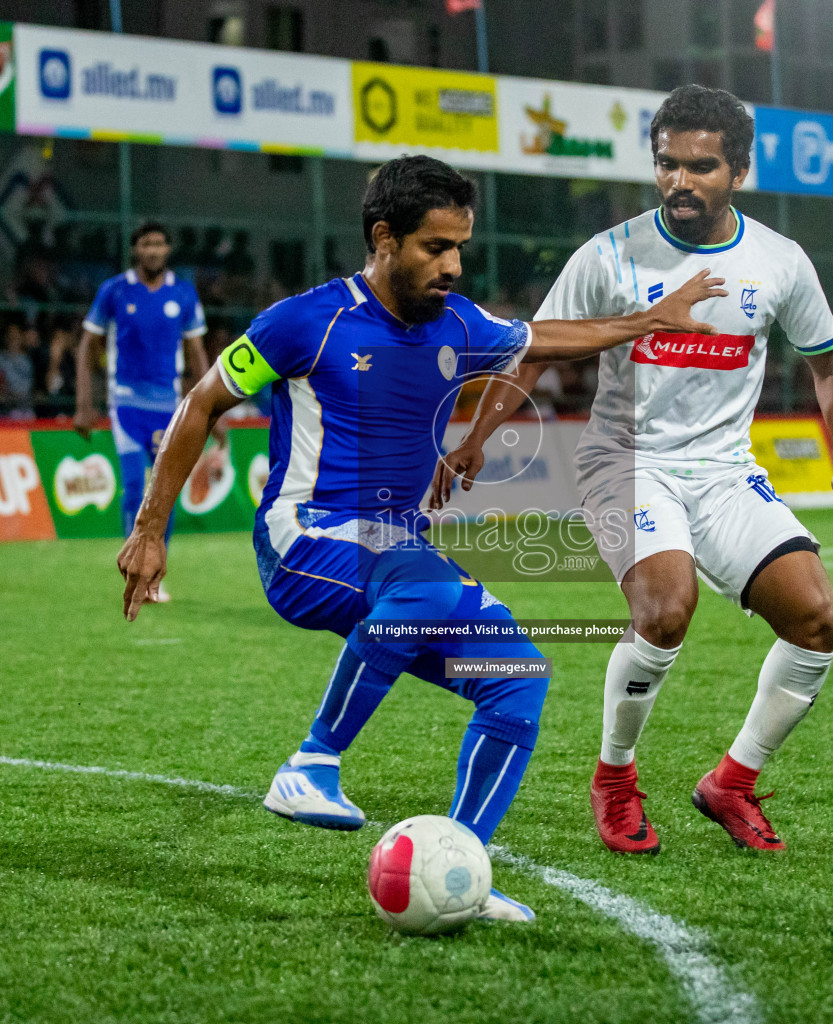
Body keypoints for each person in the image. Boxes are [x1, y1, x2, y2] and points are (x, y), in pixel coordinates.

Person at [115, 155, 724, 921]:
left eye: (461, 248)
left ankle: (461, 868)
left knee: (517, 677)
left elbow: (547, 337)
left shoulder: (463, 324)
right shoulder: (307, 320)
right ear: (383, 238)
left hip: (393, 559)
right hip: (304, 542)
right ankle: (312, 763)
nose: (453, 265)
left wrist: (644, 320)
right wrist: (149, 530)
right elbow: (201, 402)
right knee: (427, 578)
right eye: (436, 247)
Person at [433, 86, 833, 855]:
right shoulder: (609, 254)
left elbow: (829, 367)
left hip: (725, 470)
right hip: (625, 462)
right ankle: (614, 778)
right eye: (668, 164)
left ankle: (731, 782)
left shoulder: (779, 262)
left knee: (817, 621)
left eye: (701, 167)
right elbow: (536, 349)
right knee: (664, 611)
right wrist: (477, 437)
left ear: (738, 170)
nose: (680, 181)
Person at [77, 222, 210, 603]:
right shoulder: (115, 290)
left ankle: (153, 577)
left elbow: (197, 352)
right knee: (135, 486)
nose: (153, 250)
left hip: (168, 408)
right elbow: (88, 345)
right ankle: (134, 572)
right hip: (126, 404)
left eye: (159, 244)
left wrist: (212, 406)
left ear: (168, 249)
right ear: (136, 249)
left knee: (164, 494)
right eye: (146, 244)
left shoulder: (183, 293)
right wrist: (84, 403)